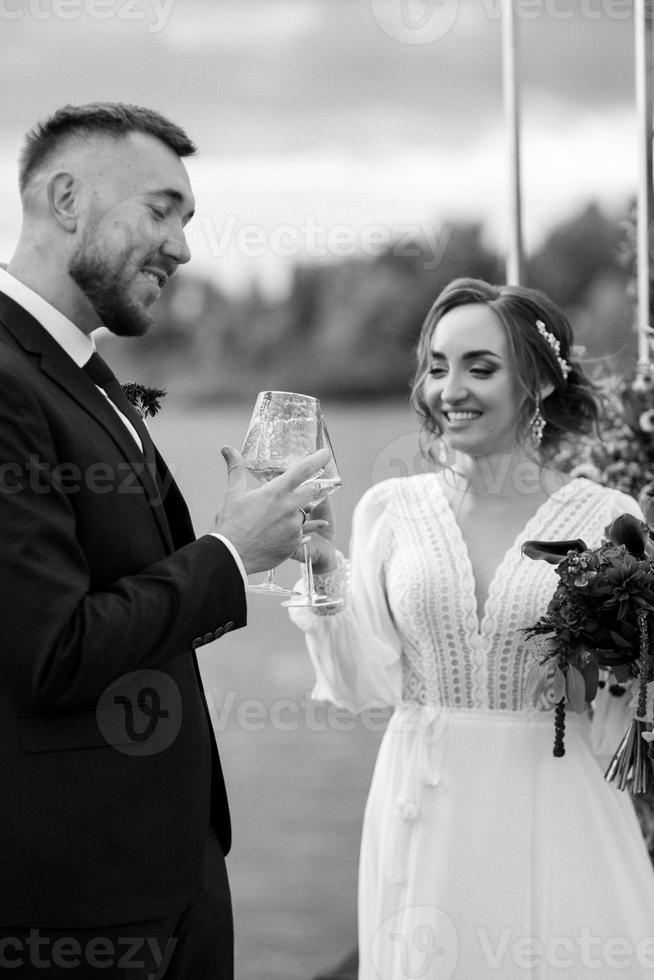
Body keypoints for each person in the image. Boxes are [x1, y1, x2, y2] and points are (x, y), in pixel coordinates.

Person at [0, 102, 328, 980]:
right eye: (161, 209)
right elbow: (51, 650)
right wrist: (226, 554)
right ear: (66, 197)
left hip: (172, 871)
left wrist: (238, 534)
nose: (182, 247)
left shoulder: (78, 369)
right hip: (73, 905)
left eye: (187, 220)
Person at [290, 278, 654, 979]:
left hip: (560, 800)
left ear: (539, 384)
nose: (448, 389)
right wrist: (322, 568)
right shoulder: (390, 509)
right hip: (427, 803)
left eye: (479, 368)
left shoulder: (609, 518)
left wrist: (625, 666)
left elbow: (622, 725)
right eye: (436, 365)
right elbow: (361, 686)